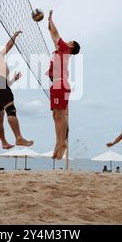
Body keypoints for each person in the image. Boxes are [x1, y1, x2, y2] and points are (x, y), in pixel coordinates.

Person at [0, 31, 34, 150]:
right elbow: (9, 46)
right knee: (10, 110)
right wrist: (14, 36)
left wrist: (14, 80)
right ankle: (19, 138)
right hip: (0, 83)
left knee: (0, 118)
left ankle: (4, 142)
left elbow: (3, 85)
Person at [46, 10, 81, 160]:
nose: (67, 41)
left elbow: (55, 33)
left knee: (60, 114)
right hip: (57, 85)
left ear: (72, 46)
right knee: (56, 115)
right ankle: (58, 142)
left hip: (61, 85)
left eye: (70, 41)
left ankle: (62, 142)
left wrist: (50, 19)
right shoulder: (61, 50)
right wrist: (49, 24)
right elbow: (52, 34)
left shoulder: (65, 49)